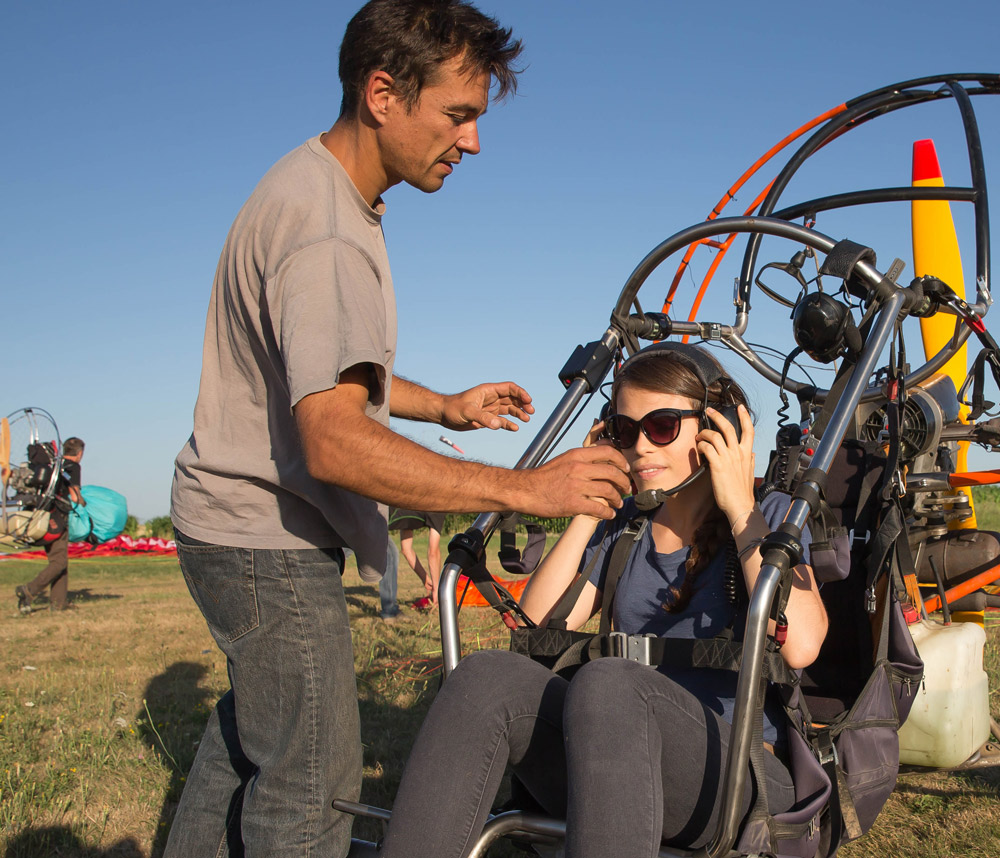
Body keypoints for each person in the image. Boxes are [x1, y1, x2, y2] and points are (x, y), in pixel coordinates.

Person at [165, 3, 630, 857]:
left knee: (246, 753)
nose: (474, 141)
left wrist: (445, 406)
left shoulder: (310, 186)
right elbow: (334, 440)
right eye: (459, 114)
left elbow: (330, 374)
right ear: (383, 92)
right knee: (311, 795)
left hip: (225, 526)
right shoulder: (328, 232)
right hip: (265, 544)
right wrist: (527, 488)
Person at [379, 343, 829, 857]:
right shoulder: (625, 526)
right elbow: (537, 630)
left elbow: (802, 646)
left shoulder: (767, 516)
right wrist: (589, 510)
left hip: (729, 774)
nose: (640, 446)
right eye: (623, 430)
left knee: (611, 681)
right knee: (486, 676)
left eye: (661, 426)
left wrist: (741, 509)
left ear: (716, 429)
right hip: (612, 751)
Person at [15, 436, 85, 614]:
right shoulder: (73, 467)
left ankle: (58, 603)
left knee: (59, 559)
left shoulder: (55, 465)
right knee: (59, 562)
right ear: (79, 453)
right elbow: (75, 495)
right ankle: (29, 590)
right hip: (57, 517)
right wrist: (83, 503)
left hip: (41, 515)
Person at [388, 507, 445, 609]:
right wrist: (437, 590)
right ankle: (389, 612)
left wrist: (425, 578)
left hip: (380, 515)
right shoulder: (437, 508)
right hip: (376, 514)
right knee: (390, 555)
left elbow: (406, 549)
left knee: (391, 553)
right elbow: (433, 553)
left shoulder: (412, 502)